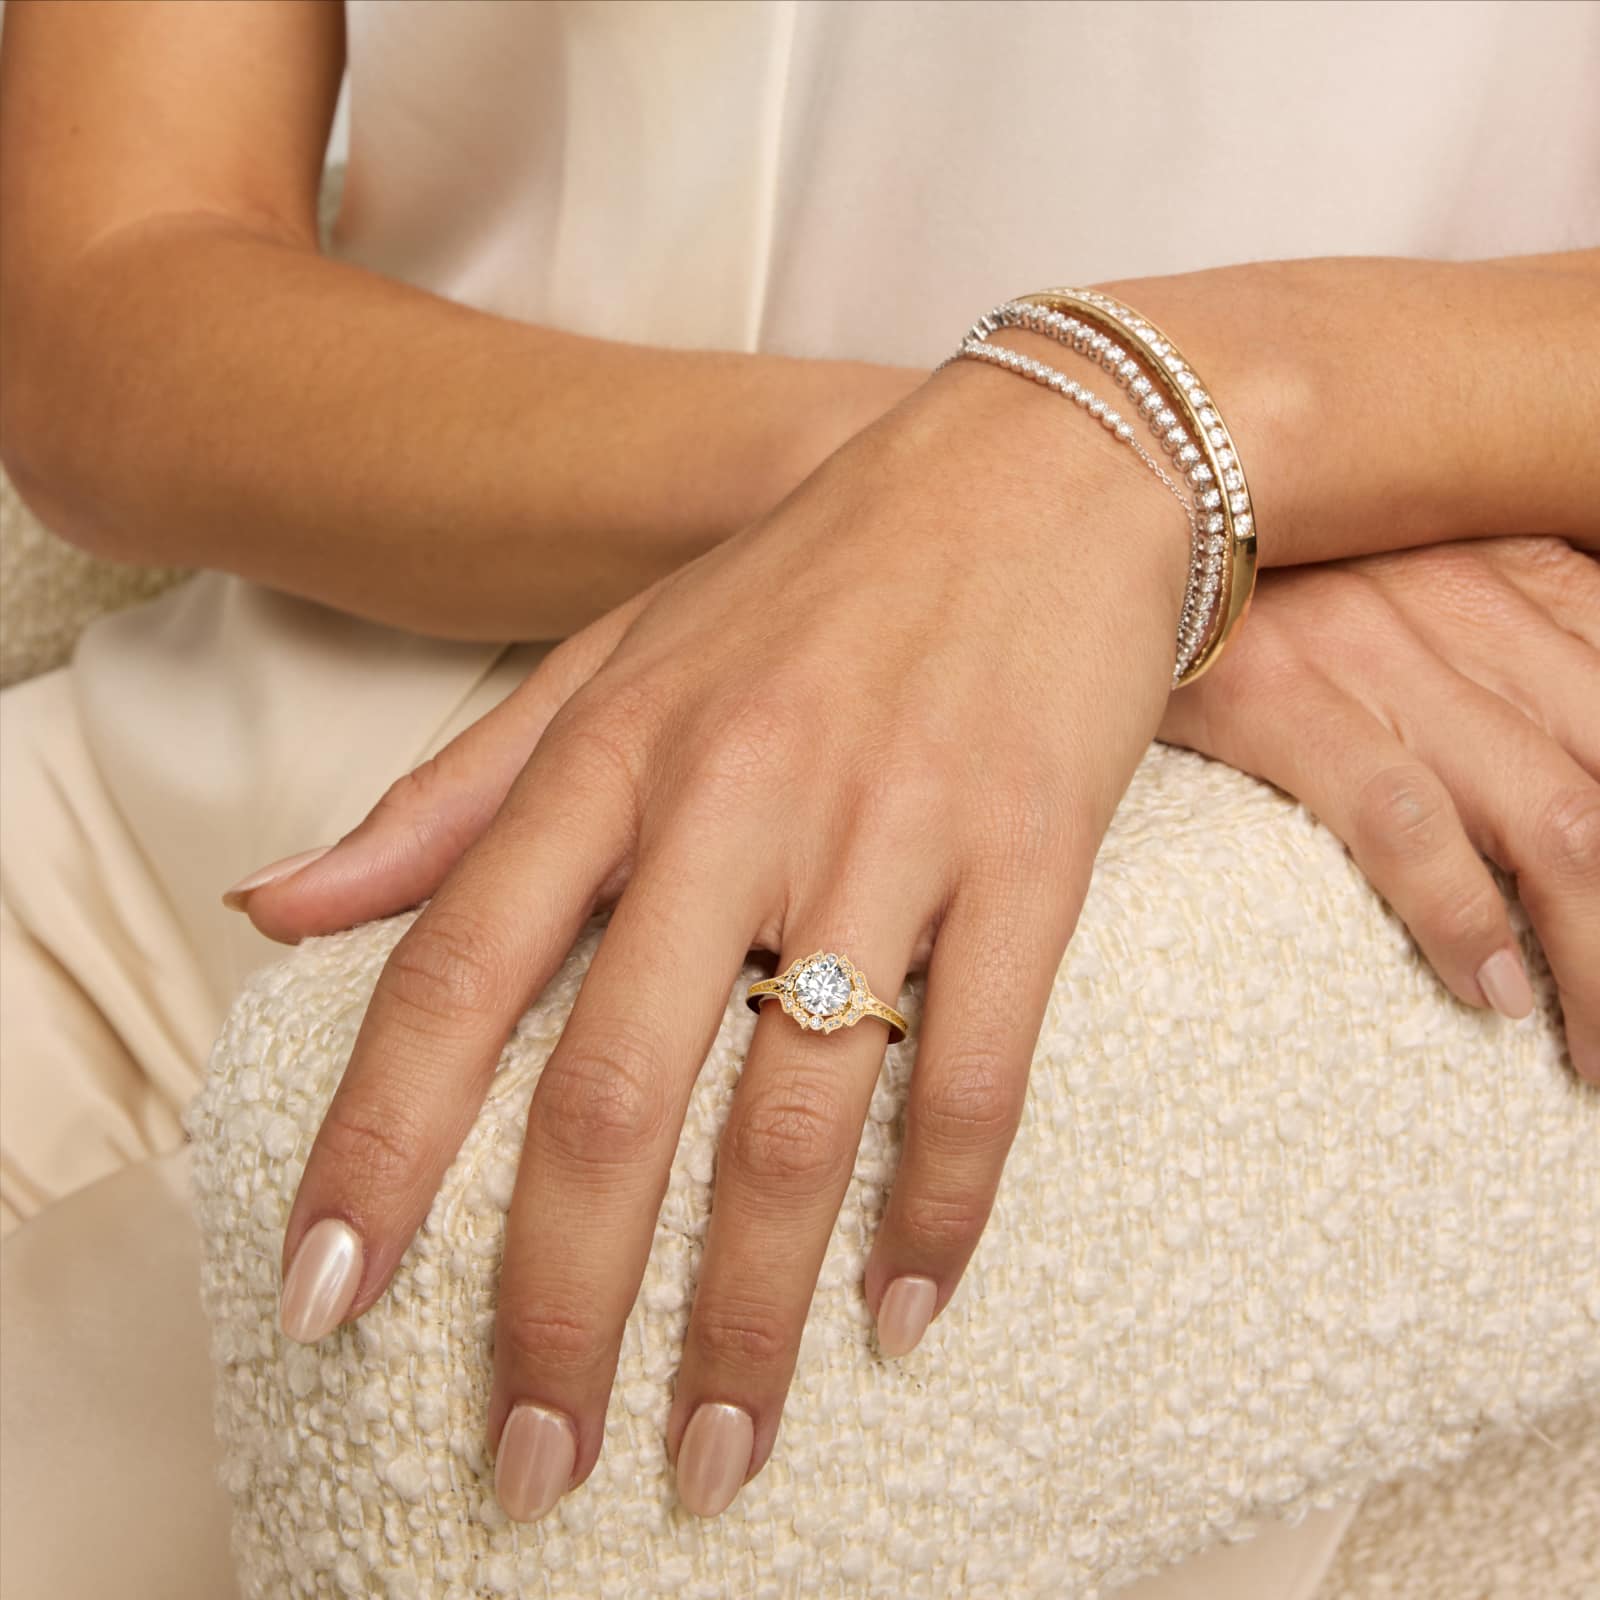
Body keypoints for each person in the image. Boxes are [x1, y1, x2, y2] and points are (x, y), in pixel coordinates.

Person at [0, 0, 1595, 1590]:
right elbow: (110, 292)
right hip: (161, 844)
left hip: (1086, 952)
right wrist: (1023, 484)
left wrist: (1172, 441)